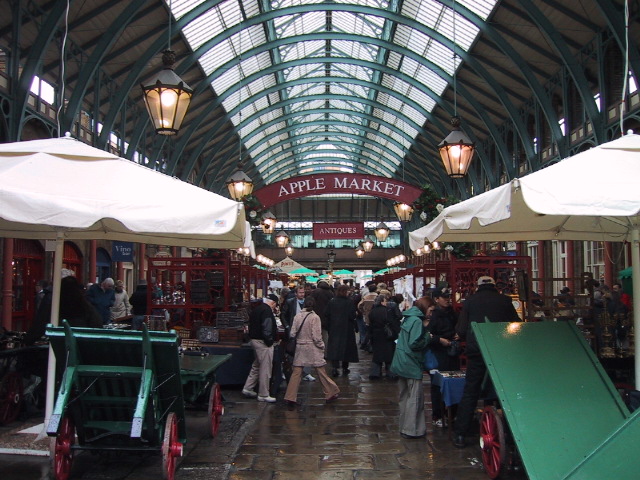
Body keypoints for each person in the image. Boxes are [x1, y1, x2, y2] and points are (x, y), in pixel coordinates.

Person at [453, 276, 520, 448]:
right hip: (499, 350)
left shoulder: (470, 302)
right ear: (494, 286)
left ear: (478, 286)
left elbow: (461, 329)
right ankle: (508, 430)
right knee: (502, 390)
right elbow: (516, 325)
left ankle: (461, 433)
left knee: (471, 391)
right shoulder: (504, 301)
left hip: (477, 351)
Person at [389, 296, 434, 439]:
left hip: (401, 361)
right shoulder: (416, 321)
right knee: (415, 398)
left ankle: (404, 426)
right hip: (411, 363)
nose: (431, 314)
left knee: (404, 396)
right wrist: (428, 337)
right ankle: (412, 430)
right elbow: (415, 343)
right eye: (431, 310)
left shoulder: (409, 317)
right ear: (425, 308)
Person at [284, 297, 340, 408]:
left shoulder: (297, 316)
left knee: (296, 373)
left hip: (300, 347)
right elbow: (316, 336)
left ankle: (290, 396)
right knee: (320, 371)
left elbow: (292, 333)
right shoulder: (315, 317)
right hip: (312, 347)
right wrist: (322, 346)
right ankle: (331, 391)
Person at [25, 275, 102, 345]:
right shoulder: (85, 305)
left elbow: (40, 323)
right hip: (81, 344)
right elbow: (97, 324)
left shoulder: (54, 303)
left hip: (59, 344)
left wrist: (28, 340)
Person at [427, 287, 458, 427]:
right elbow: (428, 336)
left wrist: (458, 334)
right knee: (437, 385)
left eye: (448, 297)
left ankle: (452, 414)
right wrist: (440, 340)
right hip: (439, 354)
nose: (447, 299)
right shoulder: (434, 316)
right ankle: (438, 415)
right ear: (436, 299)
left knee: (454, 382)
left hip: (452, 352)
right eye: (443, 297)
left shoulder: (453, 313)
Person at [242, 294, 279, 403]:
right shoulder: (267, 311)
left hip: (254, 340)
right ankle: (263, 394)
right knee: (265, 368)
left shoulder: (257, 309)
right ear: (273, 303)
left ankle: (248, 388)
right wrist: (270, 341)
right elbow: (266, 328)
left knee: (257, 365)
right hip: (262, 342)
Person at [282, 286, 316, 382]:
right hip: (293, 329)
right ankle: (289, 370)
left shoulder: (307, 303)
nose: (302, 294)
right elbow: (283, 314)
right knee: (291, 351)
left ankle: (306, 373)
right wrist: (287, 326)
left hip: (305, 330)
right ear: (296, 293)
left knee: (306, 351)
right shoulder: (290, 302)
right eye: (300, 292)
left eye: (303, 292)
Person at [324, 284, 359, 377]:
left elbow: (327, 314)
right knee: (346, 349)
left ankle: (335, 368)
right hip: (347, 329)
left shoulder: (332, 302)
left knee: (335, 348)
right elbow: (352, 315)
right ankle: (345, 367)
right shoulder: (349, 302)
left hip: (334, 328)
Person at [368, 294, 400, 379]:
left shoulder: (373, 311)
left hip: (376, 335)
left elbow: (370, 323)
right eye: (385, 301)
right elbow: (392, 323)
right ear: (382, 302)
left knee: (377, 355)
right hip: (387, 335)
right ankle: (391, 373)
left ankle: (375, 373)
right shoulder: (387, 311)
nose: (387, 303)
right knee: (389, 354)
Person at [357, 283, 378, 352]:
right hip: (376, 317)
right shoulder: (378, 297)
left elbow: (359, 305)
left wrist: (363, 311)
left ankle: (368, 345)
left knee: (368, 331)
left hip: (367, 317)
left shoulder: (366, 297)